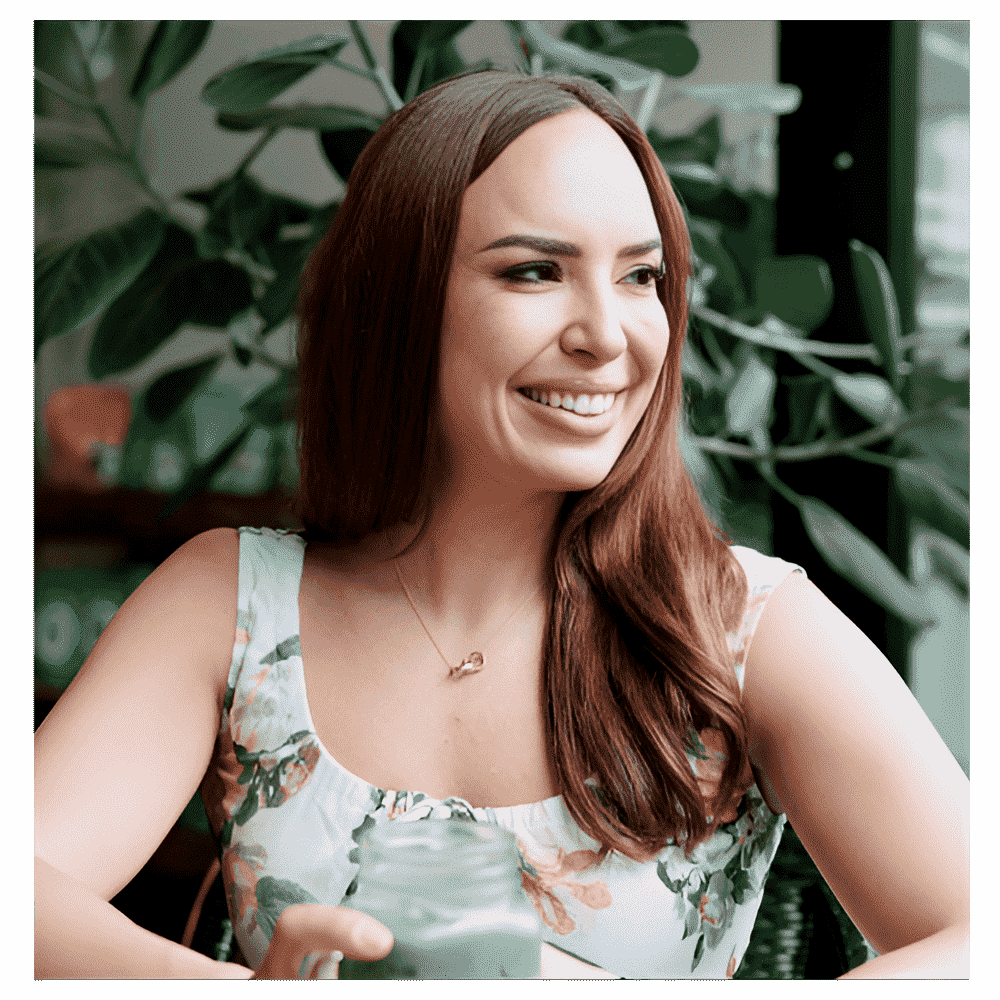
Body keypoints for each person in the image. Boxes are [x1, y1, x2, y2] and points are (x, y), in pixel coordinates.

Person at [34, 69, 969, 980]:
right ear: (399, 305)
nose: (609, 333)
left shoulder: (744, 625)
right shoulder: (232, 601)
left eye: (642, 275)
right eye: (534, 271)